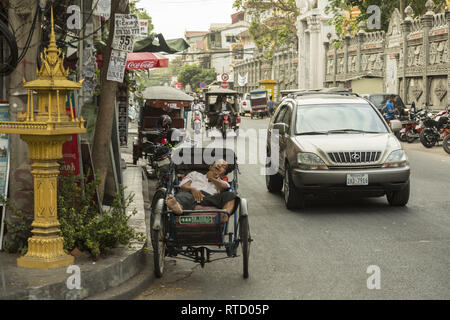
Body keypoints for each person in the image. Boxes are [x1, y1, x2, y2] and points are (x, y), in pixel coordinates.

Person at [165, 159, 238, 223]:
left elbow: (224, 188)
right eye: (218, 163)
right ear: (210, 166)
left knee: (231, 195)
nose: (219, 165)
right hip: (191, 194)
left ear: (223, 174)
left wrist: (212, 179)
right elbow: (183, 186)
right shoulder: (195, 174)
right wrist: (193, 189)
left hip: (209, 198)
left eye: (223, 166)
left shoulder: (222, 183)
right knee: (183, 195)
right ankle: (178, 207)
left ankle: (224, 215)